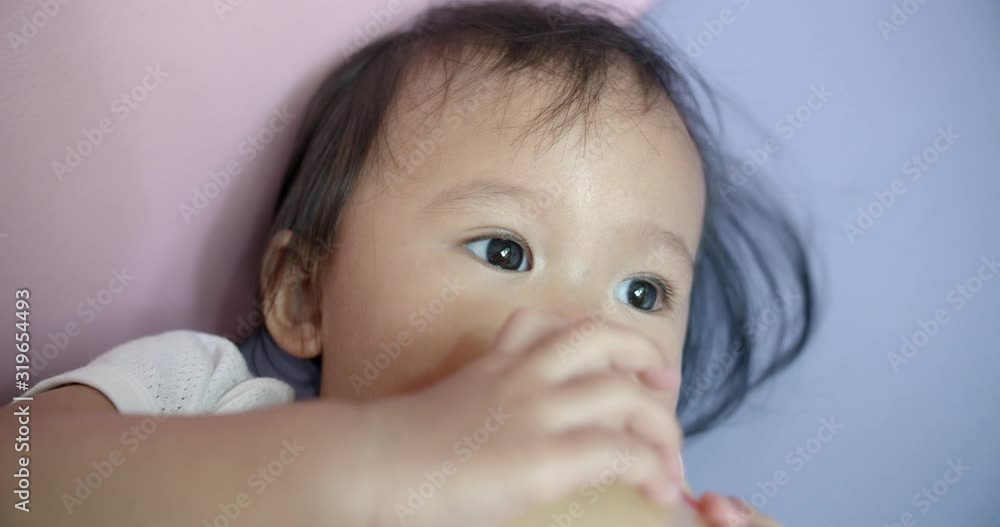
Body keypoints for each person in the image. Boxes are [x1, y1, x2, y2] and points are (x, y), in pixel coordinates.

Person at [5, 2, 811, 526]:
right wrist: (383, 457)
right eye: (506, 250)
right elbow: (22, 476)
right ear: (306, 293)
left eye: (643, 290)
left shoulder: (641, 495)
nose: (581, 330)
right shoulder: (208, 396)